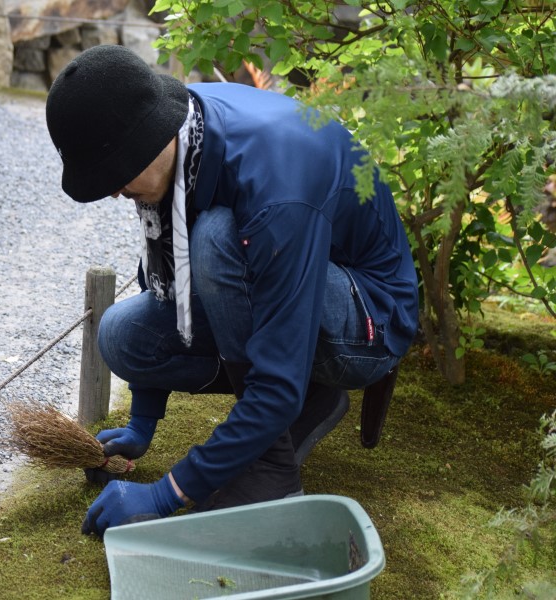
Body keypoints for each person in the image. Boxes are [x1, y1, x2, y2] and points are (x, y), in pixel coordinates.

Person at [45, 45, 419, 538]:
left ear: (147, 141)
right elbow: (167, 287)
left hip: (368, 317)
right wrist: (143, 422)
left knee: (218, 239)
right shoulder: (181, 128)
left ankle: (273, 469)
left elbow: (274, 374)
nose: (114, 193)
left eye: (114, 179)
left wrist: (165, 494)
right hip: (285, 285)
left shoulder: (275, 185)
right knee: (123, 334)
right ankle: (312, 401)